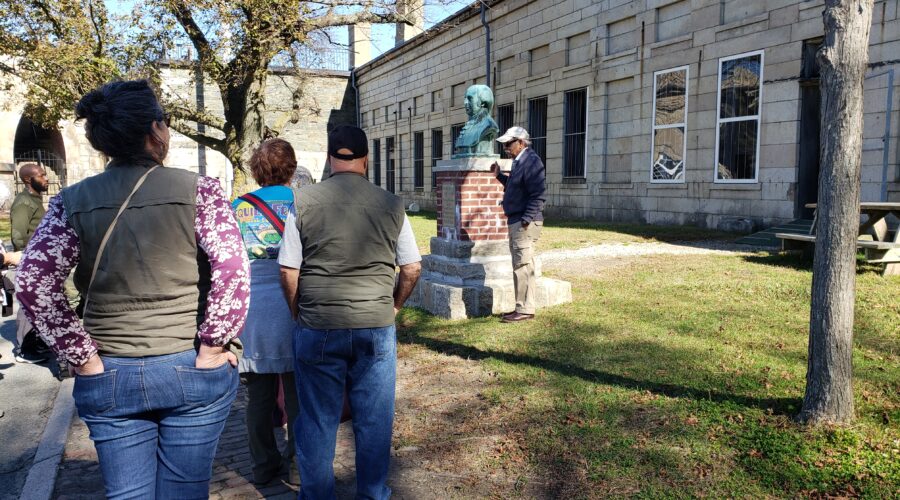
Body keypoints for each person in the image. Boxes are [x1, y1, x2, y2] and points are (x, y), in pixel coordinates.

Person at [15, 80, 250, 499]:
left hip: (109, 368)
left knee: (128, 494)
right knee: (185, 490)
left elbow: (34, 282)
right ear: (155, 129)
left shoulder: (71, 201)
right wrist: (215, 343)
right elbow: (232, 267)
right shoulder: (201, 191)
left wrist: (80, 355)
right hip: (189, 361)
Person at [278, 125, 422, 499]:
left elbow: (288, 270)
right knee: (374, 420)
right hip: (375, 324)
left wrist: (297, 311)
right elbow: (411, 267)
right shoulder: (391, 204)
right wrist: (394, 305)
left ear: (330, 158)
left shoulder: (302, 201)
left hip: (318, 324)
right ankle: (372, 493)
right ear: (366, 160)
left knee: (316, 420)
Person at [232, 138, 301, 485]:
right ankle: (298, 466)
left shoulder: (237, 207)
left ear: (256, 170)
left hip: (253, 310)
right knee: (298, 397)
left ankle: (262, 466)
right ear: (292, 167)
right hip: (293, 302)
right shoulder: (303, 202)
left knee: (257, 398)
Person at [490, 126, 547, 323]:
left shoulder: (531, 161)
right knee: (520, 264)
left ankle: (524, 309)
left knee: (523, 265)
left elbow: (538, 194)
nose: (506, 148)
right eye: (504, 144)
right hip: (518, 220)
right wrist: (499, 175)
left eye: (509, 143)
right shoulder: (520, 161)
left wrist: (526, 219)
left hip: (524, 222)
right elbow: (516, 188)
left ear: (521, 143)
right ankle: (521, 307)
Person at [10, 162, 51, 364]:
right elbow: (18, 236)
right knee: (28, 305)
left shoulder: (34, 199)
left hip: (41, 260)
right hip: (31, 261)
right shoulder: (23, 202)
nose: (46, 179)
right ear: (28, 179)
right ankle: (24, 350)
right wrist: (28, 259)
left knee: (40, 303)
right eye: (42, 175)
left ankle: (36, 342)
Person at [453, 85, 499, 157]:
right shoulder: (469, 124)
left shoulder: (489, 125)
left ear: (483, 103)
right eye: (465, 99)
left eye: (470, 99)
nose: (465, 102)